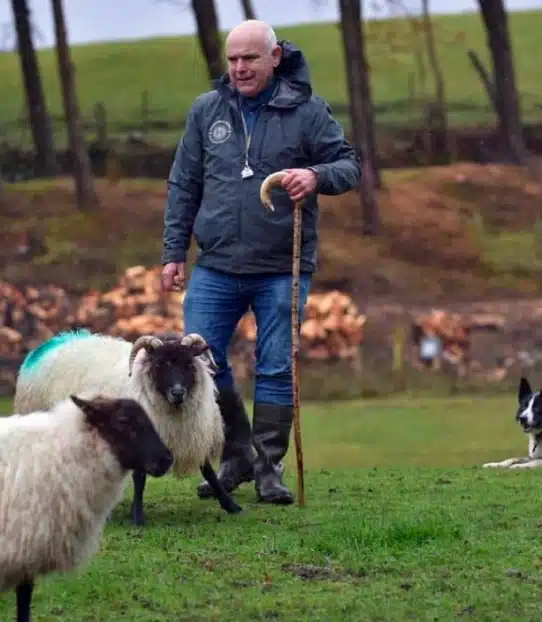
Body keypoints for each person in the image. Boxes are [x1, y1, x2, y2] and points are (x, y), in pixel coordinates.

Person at [161, 19, 361, 505]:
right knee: (203, 359)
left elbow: (349, 165)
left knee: (274, 366)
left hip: (281, 267)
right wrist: (173, 252)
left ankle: (270, 467)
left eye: (249, 58)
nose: (239, 68)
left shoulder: (308, 112)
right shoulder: (207, 111)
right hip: (216, 264)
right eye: (232, 60)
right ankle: (236, 454)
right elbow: (184, 184)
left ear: (274, 58)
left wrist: (315, 175)